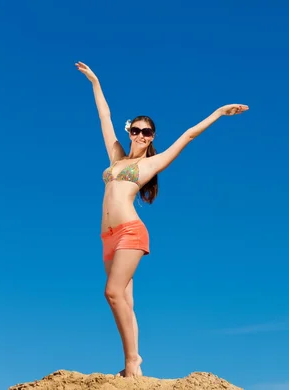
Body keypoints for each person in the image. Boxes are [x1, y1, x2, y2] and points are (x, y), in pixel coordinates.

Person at [75, 61, 249, 378]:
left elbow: (189, 135)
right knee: (124, 299)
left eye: (148, 132)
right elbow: (104, 117)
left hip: (130, 232)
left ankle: (133, 362)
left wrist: (219, 113)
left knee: (112, 293)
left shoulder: (153, 163)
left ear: (152, 136)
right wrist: (95, 82)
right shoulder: (116, 157)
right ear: (130, 132)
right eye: (137, 130)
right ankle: (132, 365)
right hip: (107, 237)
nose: (141, 135)